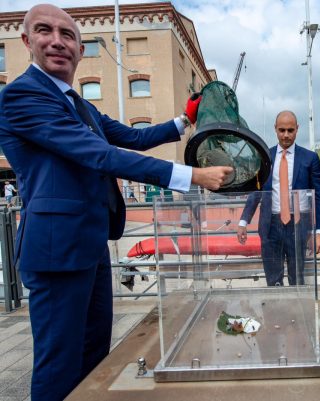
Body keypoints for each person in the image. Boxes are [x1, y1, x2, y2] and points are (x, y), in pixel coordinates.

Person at [0, 5, 232, 401]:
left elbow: (134, 138)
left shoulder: (80, 104)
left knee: (94, 357)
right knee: (59, 367)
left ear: (79, 48)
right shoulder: (22, 96)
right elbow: (99, 154)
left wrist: (184, 118)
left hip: (90, 246)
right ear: (26, 41)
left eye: (68, 35)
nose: (57, 41)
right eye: (44, 31)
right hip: (56, 252)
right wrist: (191, 176)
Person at [237, 111, 320, 286]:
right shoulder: (264, 158)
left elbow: (318, 197)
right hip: (270, 227)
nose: (286, 135)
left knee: (298, 278)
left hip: (299, 226)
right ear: (275, 130)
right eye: (282, 130)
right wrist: (243, 221)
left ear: (297, 129)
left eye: (290, 130)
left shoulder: (310, 158)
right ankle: (276, 312)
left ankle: (298, 312)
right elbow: (256, 192)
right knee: (273, 279)